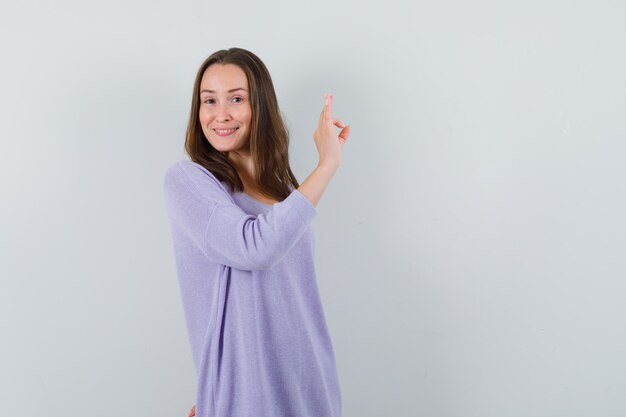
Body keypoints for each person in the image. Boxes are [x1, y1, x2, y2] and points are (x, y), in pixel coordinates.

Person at [162, 47, 350, 417]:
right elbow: (254, 248)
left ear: (260, 105)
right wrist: (327, 164)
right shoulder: (189, 182)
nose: (220, 114)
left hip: (310, 385)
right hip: (247, 397)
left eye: (236, 98)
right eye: (208, 101)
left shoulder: (282, 190)